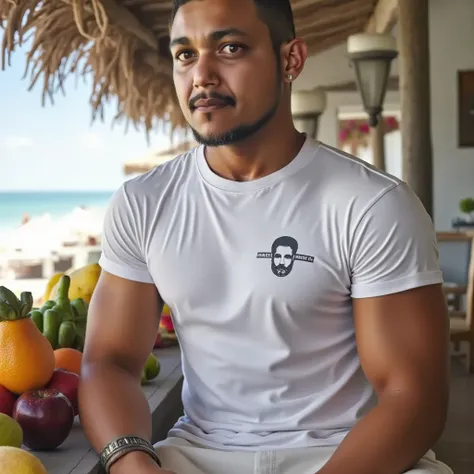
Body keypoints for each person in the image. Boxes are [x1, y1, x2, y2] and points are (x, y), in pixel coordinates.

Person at [78, 0, 452, 473]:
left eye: (230, 47)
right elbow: (107, 362)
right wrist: (132, 463)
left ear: (290, 60)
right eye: (185, 55)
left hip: (348, 456)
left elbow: (414, 399)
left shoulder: (372, 204)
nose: (202, 75)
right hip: (199, 456)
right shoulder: (144, 203)